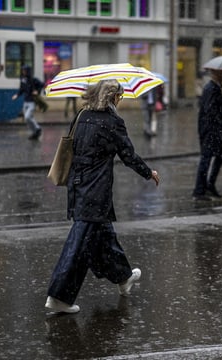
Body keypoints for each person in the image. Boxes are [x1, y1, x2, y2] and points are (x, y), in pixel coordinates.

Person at [45, 79, 160, 314]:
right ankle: (59, 297)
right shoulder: (112, 122)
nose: (121, 101)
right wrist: (148, 172)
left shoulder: (81, 115)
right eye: (120, 97)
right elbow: (128, 155)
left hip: (78, 187)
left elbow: (74, 147)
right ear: (113, 98)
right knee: (79, 244)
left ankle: (124, 277)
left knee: (103, 236)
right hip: (96, 192)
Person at [192, 69, 222, 201]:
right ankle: (199, 190)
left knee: (219, 156)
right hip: (211, 130)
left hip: (216, 129)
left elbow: (215, 107)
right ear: (217, 74)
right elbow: (210, 109)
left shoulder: (214, 88)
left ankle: (209, 186)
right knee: (207, 158)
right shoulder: (211, 88)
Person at [12, 65, 43, 140]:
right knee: (28, 119)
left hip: (32, 102)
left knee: (27, 117)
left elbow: (42, 84)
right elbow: (21, 89)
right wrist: (17, 95)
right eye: (23, 70)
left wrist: (37, 91)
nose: (23, 72)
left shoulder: (33, 79)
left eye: (25, 70)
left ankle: (38, 128)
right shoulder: (23, 79)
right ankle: (35, 132)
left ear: (28, 71)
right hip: (25, 101)